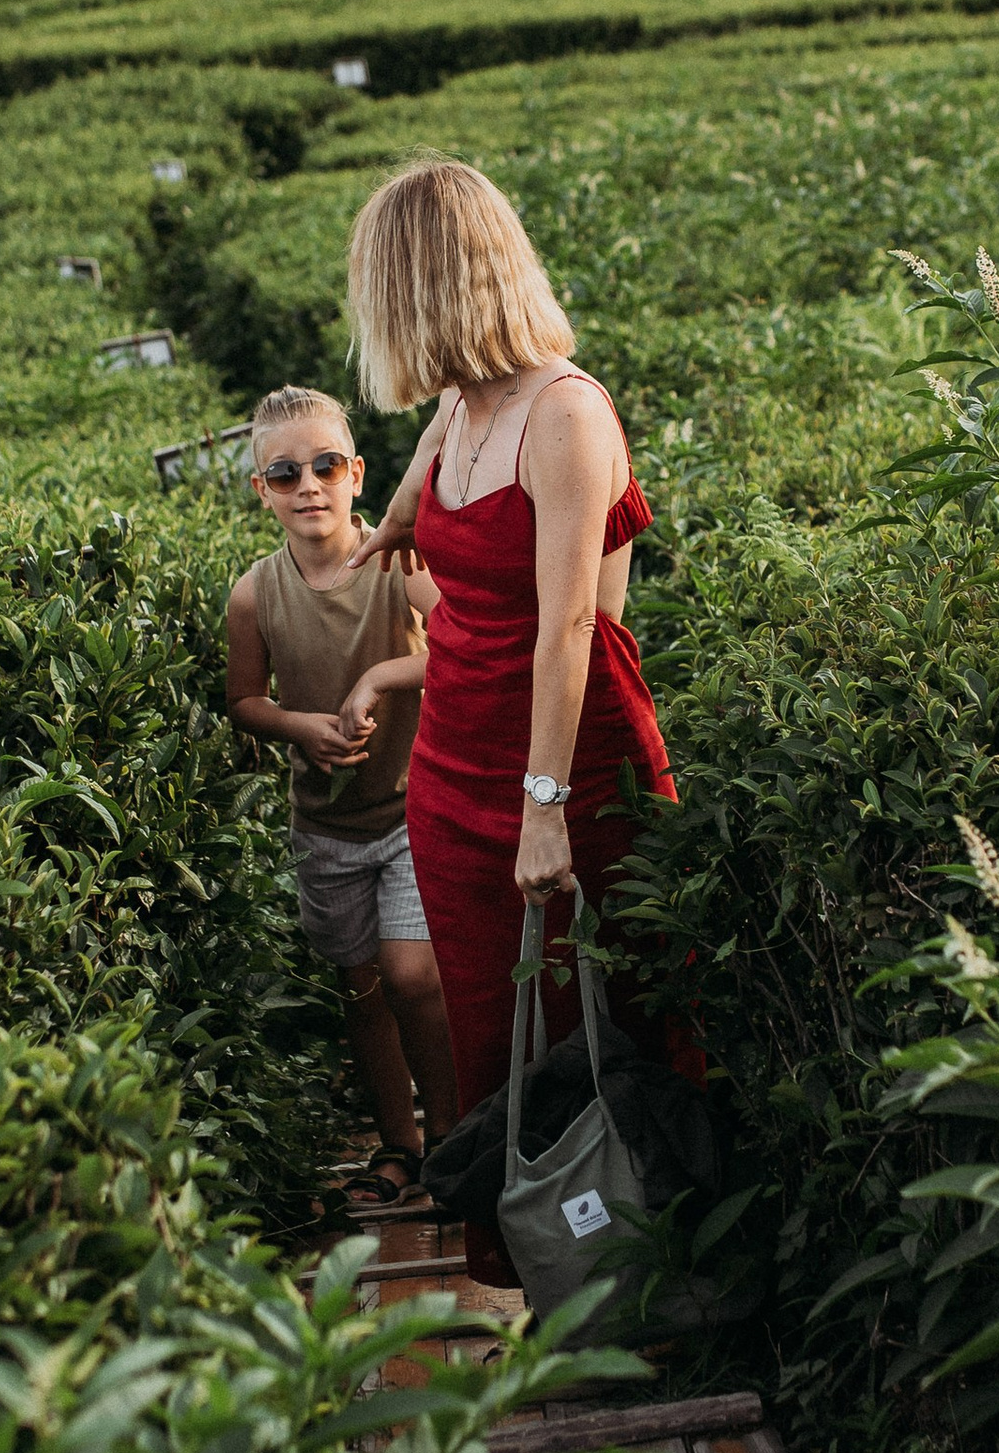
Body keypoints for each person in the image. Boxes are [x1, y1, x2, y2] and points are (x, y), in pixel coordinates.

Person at [343, 158, 687, 1288]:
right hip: (451, 760)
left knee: (600, 1018)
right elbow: (436, 464)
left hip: (559, 764)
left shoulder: (565, 414)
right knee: (497, 1029)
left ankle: (642, 1272)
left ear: (425, 290)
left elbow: (571, 627)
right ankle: (546, 1268)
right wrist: (400, 509)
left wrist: (544, 813)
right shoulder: (459, 402)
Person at [226, 382, 457, 1210]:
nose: (308, 486)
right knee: (362, 989)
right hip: (324, 825)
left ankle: (454, 1138)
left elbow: (464, 643)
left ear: (358, 473)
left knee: (412, 977)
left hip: (407, 810)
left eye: (326, 465)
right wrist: (298, 727)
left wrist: (380, 675)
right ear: (262, 490)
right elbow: (245, 698)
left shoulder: (398, 562)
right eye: (285, 474)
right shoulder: (255, 592)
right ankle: (400, 1144)